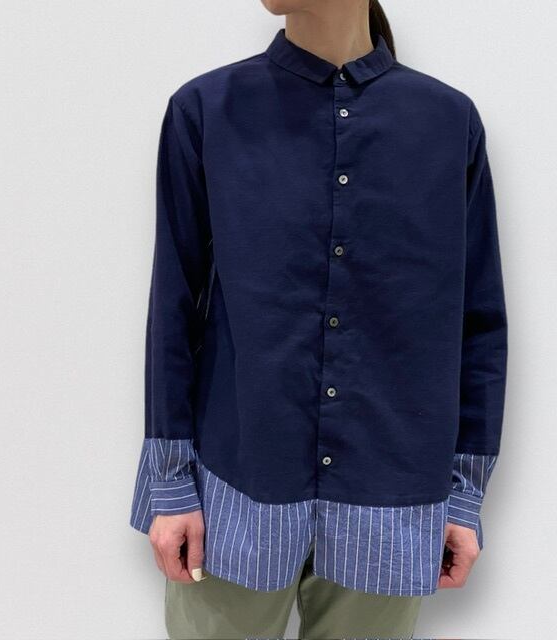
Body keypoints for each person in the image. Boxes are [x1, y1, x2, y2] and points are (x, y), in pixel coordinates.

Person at [128, 0, 508, 637]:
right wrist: (171, 485)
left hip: (392, 504)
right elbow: (174, 308)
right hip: (234, 497)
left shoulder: (448, 122)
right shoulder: (207, 110)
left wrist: (464, 494)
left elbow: (478, 321)